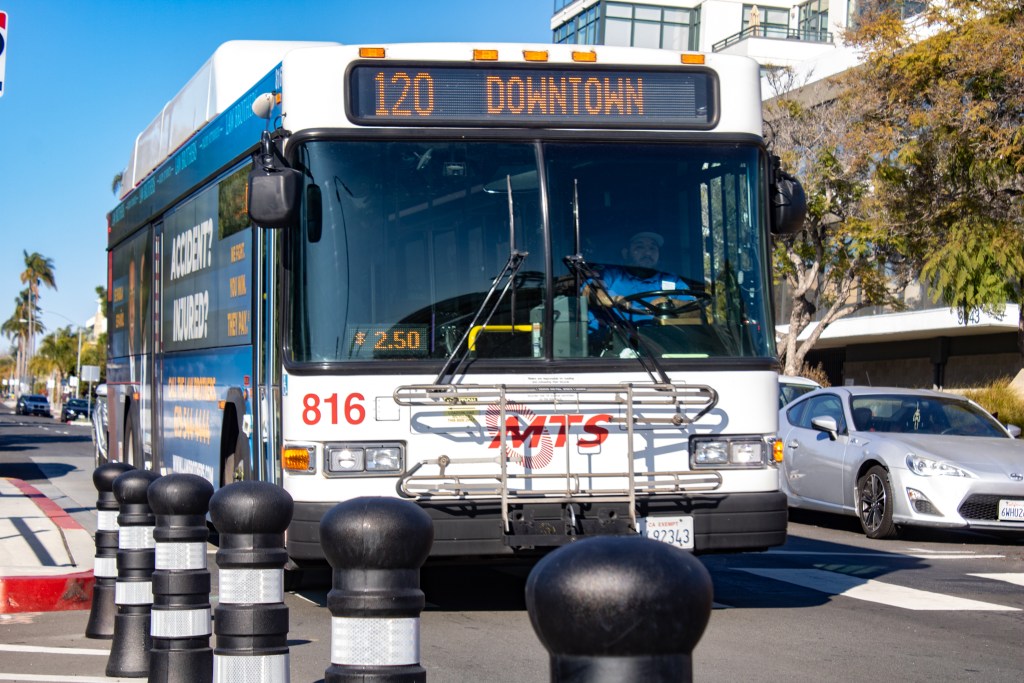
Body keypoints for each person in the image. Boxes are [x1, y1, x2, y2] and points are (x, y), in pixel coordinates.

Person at [584, 231, 694, 344]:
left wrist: (671, 303)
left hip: (659, 348)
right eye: (640, 247)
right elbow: (590, 290)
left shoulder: (671, 280)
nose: (647, 253)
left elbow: (696, 309)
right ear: (625, 253)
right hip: (612, 347)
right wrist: (611, 299)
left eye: (652, 248)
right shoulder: (611, 274)